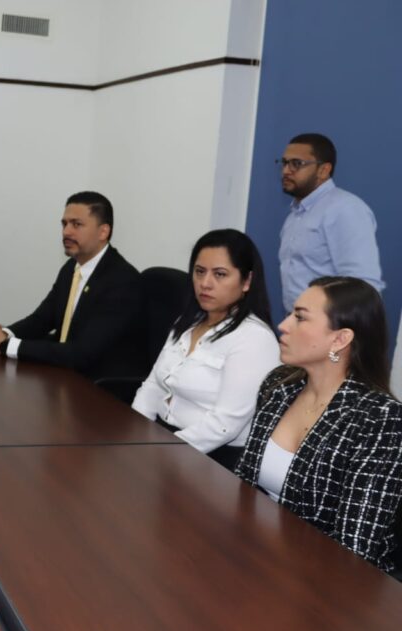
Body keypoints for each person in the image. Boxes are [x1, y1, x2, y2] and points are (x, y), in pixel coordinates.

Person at [236, 277, 402, 572]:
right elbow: (243, 486)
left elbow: (353, 547)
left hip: (324, 583)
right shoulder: (279, 385)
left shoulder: (381, 420)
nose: (284, 325)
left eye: (300, 317)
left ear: (340, 339)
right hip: (256, 553)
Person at [132, 230, 280, 470]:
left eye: (220, 274)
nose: (205, 283)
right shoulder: (189, 321)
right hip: (164, 439)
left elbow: (225, 424)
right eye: (200, 272)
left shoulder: (254, 338)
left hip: (212, 458)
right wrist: (134, 436)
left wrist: (159, 453)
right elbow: (153, 386)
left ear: (247, 281)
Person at [0, 191, 145, 381]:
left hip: (100, 388)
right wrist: (2, 334)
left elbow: (81, 354)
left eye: (77, 224)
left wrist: (4, 346)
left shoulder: (122, 280)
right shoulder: (71, 268)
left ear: (103, 232)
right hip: (64, 376)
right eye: (64, 224)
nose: (66, 232)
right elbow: (42, 319)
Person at [278, 132, 383, 314]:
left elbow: (362, 286)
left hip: (332, 327)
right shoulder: (295, 215)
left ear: (324, 170)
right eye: (285, 163)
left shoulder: (344, 209)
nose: (286, 170)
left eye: (296, 164)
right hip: (299, 322)